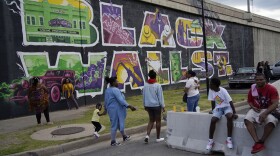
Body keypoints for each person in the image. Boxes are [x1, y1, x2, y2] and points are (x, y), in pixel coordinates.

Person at [244, 73, 279, 154]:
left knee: (271, 121)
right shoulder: (253, 89)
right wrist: (252, 107)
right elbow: (249, 101)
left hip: (269, 109)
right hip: (257, 109)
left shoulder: (271, 89)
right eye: (257, 80)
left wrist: (265, 113)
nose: (259, 81)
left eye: (261, 79)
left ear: (265, 80)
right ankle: (257, 142)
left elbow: (275, 104)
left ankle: (261, 141)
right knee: (247, 120)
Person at [103, 76, 137, 146]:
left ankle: (124, 136)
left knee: (118, 124)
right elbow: (121, 100)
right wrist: (129, 106)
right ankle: (113, 141)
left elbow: (105, 101)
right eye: (116, 81)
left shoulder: (107, 90)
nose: (118, 82)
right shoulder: (115, 90)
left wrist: (105, 109)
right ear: (113, 83)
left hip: (111, 110)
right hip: (116, 110)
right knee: (115, 125)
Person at [206, 78, 237, 151]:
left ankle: (229, 139)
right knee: (213, 120)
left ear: (215, 85)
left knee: (229, 116)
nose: (209, 85)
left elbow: (230, 101)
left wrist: (234, 112)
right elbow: (213, 101)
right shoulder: (211, 90)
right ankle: (210, 141)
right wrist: (213, 110)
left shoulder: (223, 91)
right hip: (219, 108)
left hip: (227, 107)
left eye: (211, 84)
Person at [143, 70, 165, 144]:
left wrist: (144, 105)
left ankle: (147, 136)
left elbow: (143, 96)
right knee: (158, 121)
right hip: (156, 106)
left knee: (151, 120)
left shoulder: (145, 85)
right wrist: (163, 106)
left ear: (149, 76)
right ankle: (158, 138)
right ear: (155, 76)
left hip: (148, 105)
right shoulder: (158, 85)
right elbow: (160, 97)